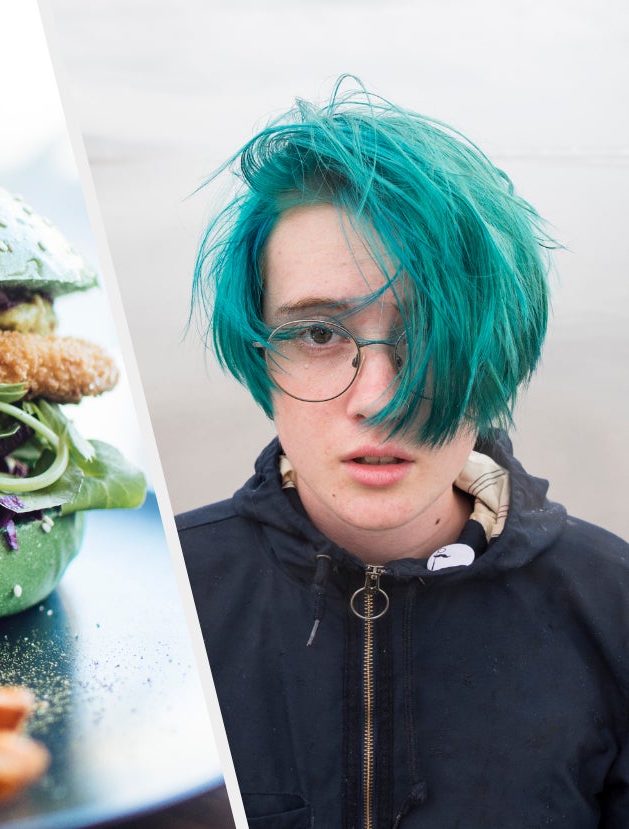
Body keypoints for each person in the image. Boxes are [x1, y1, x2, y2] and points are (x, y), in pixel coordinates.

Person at [179, 82, 629, 828]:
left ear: (493, 356)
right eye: (319, 333)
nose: (379, 397)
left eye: (429, 334)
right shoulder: (171, 593)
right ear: (262, 358)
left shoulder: (612, 610)